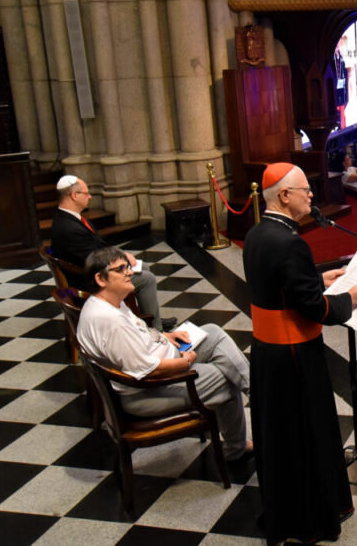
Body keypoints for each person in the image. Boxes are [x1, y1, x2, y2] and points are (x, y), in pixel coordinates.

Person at [242, 163, 357, 544]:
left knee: (279, 438)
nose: (311, 195)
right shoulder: (291, 241)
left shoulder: (257, 234)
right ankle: (311, 519)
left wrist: (319, 278)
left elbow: (280, 285)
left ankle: (284, 512)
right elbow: (316, 309)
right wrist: (352, 297)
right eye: (305, 190)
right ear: (284, 196)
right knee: (305, 435)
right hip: (294, 356)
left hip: (268, 353)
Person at [76, 246, 251, 460]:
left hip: (161, 358)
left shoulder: (108, 303)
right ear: (100, 279)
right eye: (121, 269)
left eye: (128, 267)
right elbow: (147, 371)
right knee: (224, 375)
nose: (130, 272)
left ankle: (257, 392)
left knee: (212, 333)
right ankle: (236, 449)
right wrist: (185, 363)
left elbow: (138, 333)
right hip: (147, 392)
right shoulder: (110, 322)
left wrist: (166, 337)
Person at [50, 175, 168, 331]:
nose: (90, 197)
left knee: (143, 266)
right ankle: (155, 330)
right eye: (86, 193)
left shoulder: (69, 218)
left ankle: (149, 317)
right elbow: (94, 261)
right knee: (147, 279)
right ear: (74, 195)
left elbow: (99, 246)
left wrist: (121, 256)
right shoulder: (69, 228)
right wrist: (123, 261)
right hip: (88, 281)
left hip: (91, 272)